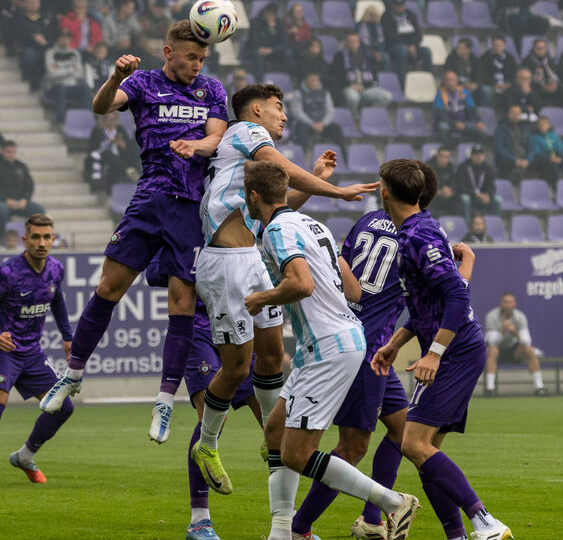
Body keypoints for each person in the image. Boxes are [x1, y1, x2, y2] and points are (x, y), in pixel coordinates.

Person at [39, 21, 228, 442]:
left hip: (192, 209)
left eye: (202, 58)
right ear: (168, 52)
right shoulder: (142, 82)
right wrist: (114, 77)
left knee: (181, 305)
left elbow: (216, 137)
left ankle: (163, 400)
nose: (197, 64)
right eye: (190, 57)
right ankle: (72, 375)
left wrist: (194, 146)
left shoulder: (212, 90)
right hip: (150, 200)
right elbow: (100, 107)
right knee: (108, 287)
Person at [190, 83, 376, 489]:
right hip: (225, 263)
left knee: (273, 357)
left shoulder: (247, 158)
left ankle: (272, 440)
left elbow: (277, 207)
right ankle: (206, 443)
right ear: (256, 110)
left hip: (251, 258)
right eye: (278, 107)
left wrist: (315, 179)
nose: (284, 116)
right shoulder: (244, 131)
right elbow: (284, 168)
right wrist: (336, 190)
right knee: (237, 367)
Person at [291, 164, 476, 540]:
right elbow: (445, 296)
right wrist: (467, 266)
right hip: (367, 345)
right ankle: (300, 528)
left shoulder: (368, 221)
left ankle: (372, 521)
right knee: (353, 446)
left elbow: (341, 266)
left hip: (368, 343)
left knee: (400, 427)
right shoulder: (418, 236)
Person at [241, 160, 420, 540]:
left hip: (328, 346)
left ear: (254, 197)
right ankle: (282, 531)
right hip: (331, 341)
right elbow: (353, 291)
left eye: (246, 196)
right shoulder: (315, 226)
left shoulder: (277, 231)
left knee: (297, 453)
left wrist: (263, 298)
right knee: (275, 430)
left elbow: (302, 285)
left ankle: (392, 502)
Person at [372, 158, 513, 540]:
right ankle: (458, 535)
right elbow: (427, 305)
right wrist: (394, 345)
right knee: (424, 450)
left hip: (456, 351)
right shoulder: (419, 229)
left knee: (414, 443)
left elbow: (454, 294)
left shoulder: (419, 235)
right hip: (454, 347)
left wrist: (433, 352)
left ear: (385, 192)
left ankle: (486, 522)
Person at [141, 255, 263, 540]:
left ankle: (288, 522)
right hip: (197, 329)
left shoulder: (242, 220)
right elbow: (153, 272)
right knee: (211, 419)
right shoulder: (185, 225)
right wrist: (202, 270)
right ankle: (199, 521)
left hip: (239, 327)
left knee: (274, 421)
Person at [0, 214, 75, 488]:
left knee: (63, 406)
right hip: (1, 352)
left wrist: (68, 336)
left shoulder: (56, 269)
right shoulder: (6, 273)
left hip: (32, 354)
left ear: (53, 239)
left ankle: (25, 456)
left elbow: (57, 302)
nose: (42, 243)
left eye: (47, 237)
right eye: (36, 237)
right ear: (24, 240)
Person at [484, 292, 547, 396]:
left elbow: (527, 342)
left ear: (514, 304)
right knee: (492, 350)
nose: (508, 305)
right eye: (505, 303)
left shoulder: (520, 317)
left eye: (510, 303)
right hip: (497, 351)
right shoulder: (491, 316)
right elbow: (491, 342)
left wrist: (515, 333)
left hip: (514, 351)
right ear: (501, 304)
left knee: (529, 350)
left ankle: (539, 387)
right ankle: (490, 389)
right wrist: (502, 332)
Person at [333, 32, 392, 120]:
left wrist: (365, 86)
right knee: (353, 98)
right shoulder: (339, 57)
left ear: (359, 42)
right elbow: (337, 77)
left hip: (365, 88)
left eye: (355, 41)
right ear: (346, 43)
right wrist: (350, 85)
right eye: (350, 42)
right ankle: (355, 118)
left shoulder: (367, 56)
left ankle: (367, 116)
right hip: (349, 87)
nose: (353, 44)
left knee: (387, 96)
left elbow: (374, 77)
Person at [0, 140, 44, 235]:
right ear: (2, 152)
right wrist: (6, 200)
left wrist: (25, 199)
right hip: (3, 202)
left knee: (39, 210)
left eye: (13, 152)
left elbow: (29, 186)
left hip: (20, 202)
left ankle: (35, 237)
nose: (11, 154)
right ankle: (3, 237)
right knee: (1, 210)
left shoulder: (21, 167)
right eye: (8, 152)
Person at [381, 0, 431, 85]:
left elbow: (418, 35)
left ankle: (428, 82)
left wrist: (413, 45)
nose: (399, 7)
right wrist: (408, 46)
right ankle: (402, 84)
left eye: (401, 5)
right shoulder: (386, 16)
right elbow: (390, 37)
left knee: (426, 51)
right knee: (403, 51)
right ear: (393, 5)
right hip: (393, 47)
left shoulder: (411, 15)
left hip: (412, 46)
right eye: (397, 5)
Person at [44, 30, 93, 122]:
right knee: (61, 88)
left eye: (67, 39)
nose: (65, 41)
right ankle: (60, 121)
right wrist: (71, 69)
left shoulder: (75, 53)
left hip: (72, 86)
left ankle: (85, 120)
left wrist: (59, 68)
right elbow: (52, 74)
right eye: (63, 39)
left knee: (85, 88)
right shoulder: (50, 53)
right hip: (55, 86)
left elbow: (79, 74)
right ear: (58, 40)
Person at [290, 72, 347, 151]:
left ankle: (344, 159)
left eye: (315, 81)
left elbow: (330, 111)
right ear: (306, 81)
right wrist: (311, 123)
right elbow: (297, 112)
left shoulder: (325, 93)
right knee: (301, 131)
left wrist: (323, 123)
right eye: (311, 80)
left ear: (319, 82)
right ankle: (301, 160)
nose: (313, 83)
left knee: (337, 129)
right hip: (306, 124)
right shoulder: (298, 93)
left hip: (322, 124)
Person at [83, 112, 138, 192]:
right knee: (108, 153)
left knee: (115, 163)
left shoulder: (120, 130)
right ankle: (127, 170)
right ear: (104, 121)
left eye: (115, 120)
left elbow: (128, 149)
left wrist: (123, 146)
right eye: (110, 120)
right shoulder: (97, 131)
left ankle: (110, 191)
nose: (113, 122)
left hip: (117, 161)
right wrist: (109, 143)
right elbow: (92, 150)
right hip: (100, 157)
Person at [14, 0, 55, 92]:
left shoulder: (46, 17)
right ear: (25, 3)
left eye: (36, 2)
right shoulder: (19, 18)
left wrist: (45, 41)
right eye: (31, 2)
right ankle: (34, 84)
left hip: (46, 46)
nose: (34, 4)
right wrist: (33, 37)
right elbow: (17, 36)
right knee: (30, 55)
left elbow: (53, 33)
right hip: (29, 46)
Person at [433, 71, 487, 143]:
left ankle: (477, 151)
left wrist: (479, 121)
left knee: (482, 130)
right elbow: (440, 114)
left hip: (464, 122)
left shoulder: (463, 91)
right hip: (449, 122)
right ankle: (445, 149)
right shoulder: (440, 94)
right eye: (448, 80)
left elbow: (473, 108)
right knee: (443, 127)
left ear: (457, 80)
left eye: (453, 80)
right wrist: (455, 123)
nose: (451, 83)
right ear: (444, 82)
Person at [455, 145, 500, 222]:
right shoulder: (462, 167)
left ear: (484, 156)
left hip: (483, 196)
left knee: (498, 200)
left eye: (481, 154)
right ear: (471, 155)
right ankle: (467, 223)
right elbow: (461, 187)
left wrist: (488, 195)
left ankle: (492, 223)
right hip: (469, 194)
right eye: (476, 155)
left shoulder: (488, 168)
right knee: (465, 199)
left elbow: (492, 186)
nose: (478, 157)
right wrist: (477, 195)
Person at [242, 4, 287, 80]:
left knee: (287, 54)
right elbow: (254, 41)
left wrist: (272, 50)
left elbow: (283, 43)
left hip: (271, 51)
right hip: (255, 50)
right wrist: (268, 31)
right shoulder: (255, 22)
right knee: (258, 56)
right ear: (264, 13)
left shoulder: (279, 24)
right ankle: (259, 80)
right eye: (269, 14)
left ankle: (283, 78)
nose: (271, 17)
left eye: (273, 15)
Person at [528, 115, 563, 186]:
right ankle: (555, 189)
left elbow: (561, 149)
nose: (543, 126)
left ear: (549, 125)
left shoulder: (554, 136)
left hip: (555, 157)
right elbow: (537, 152)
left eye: (545, 124)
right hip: (543, 160)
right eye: (541, 124)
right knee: (552, 166)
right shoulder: (535, 137)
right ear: (538, 126)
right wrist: (549, 158)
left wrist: (560, 158)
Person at [477, 35, 517, 110]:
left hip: (506, 85)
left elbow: (514, 74)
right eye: (495, 45)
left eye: (500, 45)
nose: (498, 47)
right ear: (492, 45)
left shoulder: (510, 58)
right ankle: (486, 112)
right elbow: (482, 75)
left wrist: (508, 84)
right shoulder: (485, 58)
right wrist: (493, 84)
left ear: (504, 45)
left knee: (515, 89)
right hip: (491, 85)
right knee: (486, 90)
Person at [494, 104, 532, 180]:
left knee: (543, 162)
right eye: (513, 114)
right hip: (509, 158)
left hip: (523, 158)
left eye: (518, 114)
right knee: (503, 163)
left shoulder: (526, 128)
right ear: (509, 114)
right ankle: (505, 188)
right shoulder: (501, 128)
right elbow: (499, 149)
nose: (516, 116)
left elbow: (531, 148)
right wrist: (514, 160)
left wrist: (527, 160)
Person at [522, 38, 562, 108]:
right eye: (538, 48)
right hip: (537, 87)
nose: (541, 50)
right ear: (534, 49)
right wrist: (543, 87)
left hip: (551, 86)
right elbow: (527, 80)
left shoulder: (550, 60)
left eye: (543, 48)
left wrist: (555, 84)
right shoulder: (527, 61)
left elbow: (557, 74)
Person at [444, 38, 484, 106]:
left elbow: (480, 75)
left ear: (468, 50)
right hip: (456, 85)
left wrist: (476, 84)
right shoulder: (451, 59)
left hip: (471, 86)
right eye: (458, 47)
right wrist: (462, 84)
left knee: (485, 91)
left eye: (461, 48)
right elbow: (448, 75)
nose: (458, 50)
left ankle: (482, 110)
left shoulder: (475, 60)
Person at [355, 5, 391, 73]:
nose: (373, 17)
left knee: (386, 57)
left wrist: (379, 52)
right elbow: (358, 42)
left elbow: (382, 42)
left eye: (375, 15)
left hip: (378, 51)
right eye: (371, 15)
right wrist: (372, 52)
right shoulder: (359, 26)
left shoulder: (379, 26)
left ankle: (386, 77)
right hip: (364, 50)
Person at [426, 146, 459, 217]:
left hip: (447, 194)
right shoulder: (428, 166)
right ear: (437, 156)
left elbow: (454, 183)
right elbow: (426, 185)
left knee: (460, 199)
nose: (444, 159)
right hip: (434, 194)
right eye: (442, 156)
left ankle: (455, 221)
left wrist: (451, 191)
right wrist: (439, 191)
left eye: (447, 157)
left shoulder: (451, 167)